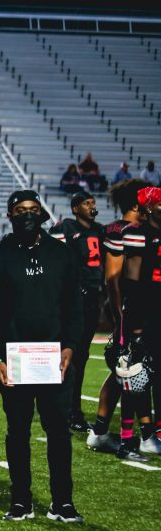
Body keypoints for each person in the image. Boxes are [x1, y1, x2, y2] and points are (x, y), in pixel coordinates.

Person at [0, 190, 84, 523]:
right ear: (10, 215)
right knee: (18, 431)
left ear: (42, 214)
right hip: (15, 362)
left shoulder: (62, 255)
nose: (28, 215)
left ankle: (62, 501)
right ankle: (21, 500)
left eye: (34, 209)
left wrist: (70, 347)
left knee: (59, 431)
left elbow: (75, 308)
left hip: (55, 360)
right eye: (21, 210)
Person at [87, 179, 152, 456]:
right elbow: (113, 279)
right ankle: (120, 433)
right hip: (128, 308)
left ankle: (103, 430)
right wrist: (120, 317)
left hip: (140, 308)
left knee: (126, 372)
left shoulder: (143, 230)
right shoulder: (120, 230)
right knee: (128, 370)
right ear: (137, 204)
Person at [49, 191, 105, 431]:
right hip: (71, 301)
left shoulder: (100, 231)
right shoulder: (65, 228)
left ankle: (73, 409)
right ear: (75, 208)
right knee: (67, 354)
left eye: (93, 202)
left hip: (92, 299)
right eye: (86, 203)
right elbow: (54, 262)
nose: (91, 206)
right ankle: (65, 408)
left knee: (81, 356)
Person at [115, 186, 161, 459]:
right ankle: (133, 439)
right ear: (148, 208)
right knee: (135, 375)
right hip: (143, 312)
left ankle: (154, 432)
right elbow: (131, 280)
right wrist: (133, 322)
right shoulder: (136, 232)